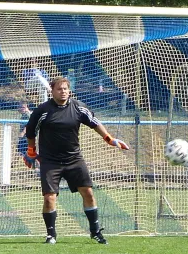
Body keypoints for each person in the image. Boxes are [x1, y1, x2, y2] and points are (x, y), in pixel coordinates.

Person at [24, 76, 129, 244]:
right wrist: (31, 151)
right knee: (49, 197)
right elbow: (30, 131)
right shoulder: (43, 110)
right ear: (52, 91)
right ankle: (51, 235)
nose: (63, 91)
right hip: (50, 161)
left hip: (74, 159)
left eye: (65, 88)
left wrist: (110, 139)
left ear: (69, 90)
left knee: (88, 192)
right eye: (59, 89)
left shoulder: (78, 107)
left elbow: (95, 123)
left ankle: (95, 231)